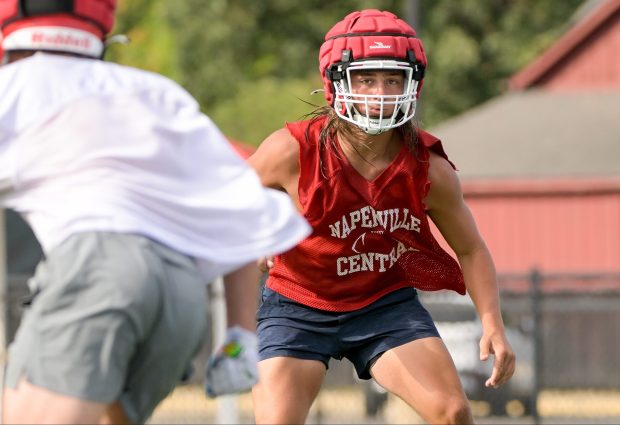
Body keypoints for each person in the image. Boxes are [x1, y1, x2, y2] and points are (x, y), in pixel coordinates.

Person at [0, 0, 310, 424]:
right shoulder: (155, 92)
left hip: (98, 272)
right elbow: (240, 207)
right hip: (181, 295)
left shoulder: (12, 87)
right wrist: (239, 337)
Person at [248, 9, 516, 425]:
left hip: (381, 303)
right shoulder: (290, 152)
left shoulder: (430, 169)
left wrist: (492, 323)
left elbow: (471, 248)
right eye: (366, 79)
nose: (381, 92)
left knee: (453, 412)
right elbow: (228, 200)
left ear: (413, 84)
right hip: (297, 303)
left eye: (393, 79)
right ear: (336, 83)